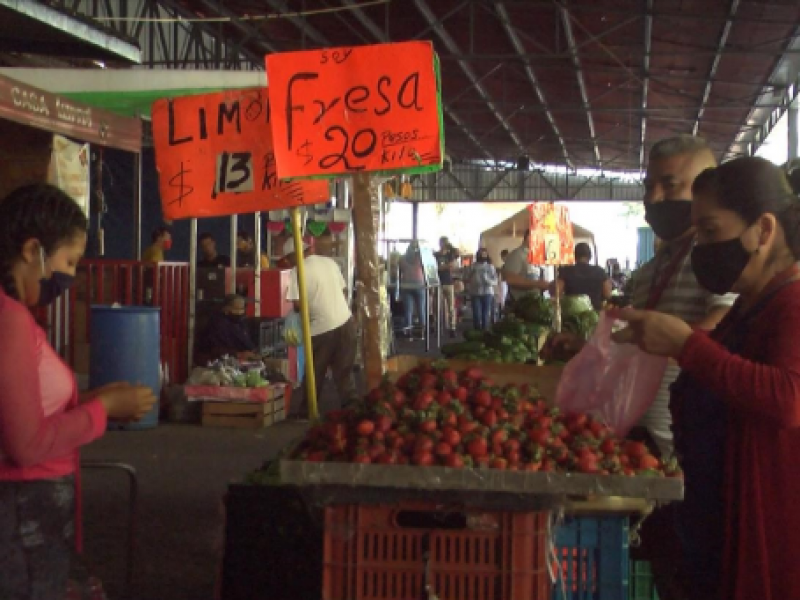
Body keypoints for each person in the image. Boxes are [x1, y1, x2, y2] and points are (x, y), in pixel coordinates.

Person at [619, 157, 800, 600]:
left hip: (766, 531)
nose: (702, 247)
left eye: (711, 232)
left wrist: (687, 345)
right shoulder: (751, 303)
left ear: (763, 230)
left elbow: (788, 398)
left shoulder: (793, 305)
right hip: (717, 519)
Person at [0, 184, 156, 599]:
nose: (69, 276)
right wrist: (102, 408)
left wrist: (88, 402)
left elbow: (22, 409)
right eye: (68, 261)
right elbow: (27, 445)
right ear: (33, 250)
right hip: (23, 516)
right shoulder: (10, 318)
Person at [283, 238, 357, 416]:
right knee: (344, 369)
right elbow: (344, 291)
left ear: (293, 256)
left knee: (315, 371)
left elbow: (298, 305)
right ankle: (352, 407)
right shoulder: (329, 262)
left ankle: (307, 411)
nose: (288, 262)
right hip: (345, 322)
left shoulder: (297, 271)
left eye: (288, 259)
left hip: (320, 329)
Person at [195, 294, 257, 364]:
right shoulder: (218, 324)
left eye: (242, 309)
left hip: (241, 360)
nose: (241, 312)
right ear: (226, 309)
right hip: (218, 363)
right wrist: (239, 354)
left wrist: (253, 351)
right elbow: (215, 349)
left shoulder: (240, 322)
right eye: (237, 309)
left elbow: (246, 341)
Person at [553, 242, 611, 310]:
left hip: (572, 315)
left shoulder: (566, 271)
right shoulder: (600, 271)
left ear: (575, 256)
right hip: (595, 313)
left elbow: (556, 292)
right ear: (590, 256)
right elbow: (607, 294)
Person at [501, 230, 549, 304]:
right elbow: (510, 279)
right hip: (519, 305)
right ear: (528, 238)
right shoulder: (517, 255)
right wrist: (536, 284)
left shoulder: (535, 257)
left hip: (535, 302)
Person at [398, 242, 426, 335]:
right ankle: (422, 330)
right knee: (421, 308)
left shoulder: (402, 258)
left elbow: (400, 271)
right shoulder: (421, 258)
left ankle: (408, 331)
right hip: (419, 284)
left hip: (406, 284)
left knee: (408, 310)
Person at [434, 236, 460, 338]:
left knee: (451, 306)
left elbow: (452, 263)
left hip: (448, 282)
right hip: (438, 283)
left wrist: (441, 267)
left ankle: (452, 327)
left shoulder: (450, 254)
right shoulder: (435, 255)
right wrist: (444, 267)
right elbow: (434, 268)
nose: (443, 244)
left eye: (444, 242)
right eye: (442, 242)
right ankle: (438, 325)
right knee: (437, 306)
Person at [469, 248, 497, 330]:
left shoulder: (490, 266)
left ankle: (484, 331)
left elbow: (495, 280)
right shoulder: (473, 266)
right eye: (481, 254)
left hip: (487, 292)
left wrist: (487, 280)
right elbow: (467, 276)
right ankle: (477, 331)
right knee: (476, 314)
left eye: (484, 254)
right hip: (475, 292)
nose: (483, 256)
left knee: (485, 314)